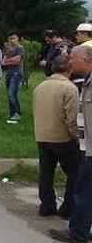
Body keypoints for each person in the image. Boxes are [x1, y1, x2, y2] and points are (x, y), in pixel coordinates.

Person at [49, 46, 92, 243]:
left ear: (86, 60)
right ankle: (81, 229)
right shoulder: (86, 81)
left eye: (73, 58)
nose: (70, 63)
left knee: (83, 192)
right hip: (86, 146)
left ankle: (78, 233)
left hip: (90, 150)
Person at [32, 54, 82, 218]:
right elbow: (72, 118)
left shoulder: (40, 87)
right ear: (70, 69)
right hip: (62, 138)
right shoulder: (70, 88)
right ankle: (68, 208)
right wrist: (76, 137)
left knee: (46, 172)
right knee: (75, 172)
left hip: (42, 135)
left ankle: (47, 205)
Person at [1, 32, 24, 122]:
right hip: (9, 73)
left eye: (13, 38)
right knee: (9, 93)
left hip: (16, 73)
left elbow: (17, 61)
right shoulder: (9, 48)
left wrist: (7, 62)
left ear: (17, 38)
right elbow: (3, 61)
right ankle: (12, 113)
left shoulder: (20, 48)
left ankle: (17, 113)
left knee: (12, 93)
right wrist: (8, 61)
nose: (12, 40)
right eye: (10, 38)